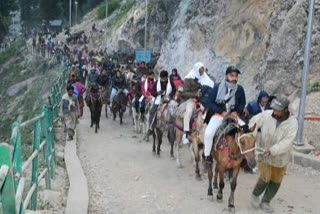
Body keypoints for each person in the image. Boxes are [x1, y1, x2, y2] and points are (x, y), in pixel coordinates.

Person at [249, 96, 298, 213]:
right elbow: (252, 123)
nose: (274, 112)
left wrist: (272, 150)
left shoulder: (292, 123)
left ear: (286, 110)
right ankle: (255, 195)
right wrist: (253, 135)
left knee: (276, 180)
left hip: (281, 157)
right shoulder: (266, 115)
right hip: (263, 152)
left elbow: (287, 142)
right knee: (265, 177)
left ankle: (266, 201)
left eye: (278, 110)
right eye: (274, 109)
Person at [202, 66, 246, 166]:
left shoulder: (239, 89)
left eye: (236, 76)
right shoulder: (217, 87)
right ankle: (207, 156)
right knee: (208, 134)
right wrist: (221, 111)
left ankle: (246, 158)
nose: (234, 78)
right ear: (226, 76)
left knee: (247, 131)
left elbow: (242, 103)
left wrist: (236, 111)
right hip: (219, 115)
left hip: (233, 116)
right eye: (232, 76)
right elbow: (210, 102)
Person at [181, 62, 215, 144]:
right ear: (196, 69)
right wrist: (194, 94)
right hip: (191, 99)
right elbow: (184, 92)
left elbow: (211, 87)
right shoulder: (189, 79)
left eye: (202, 70)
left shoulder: (204, 78)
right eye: (200, 70)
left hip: (202, 101)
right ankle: (185, 134)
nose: (202, 72)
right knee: (188, 112)